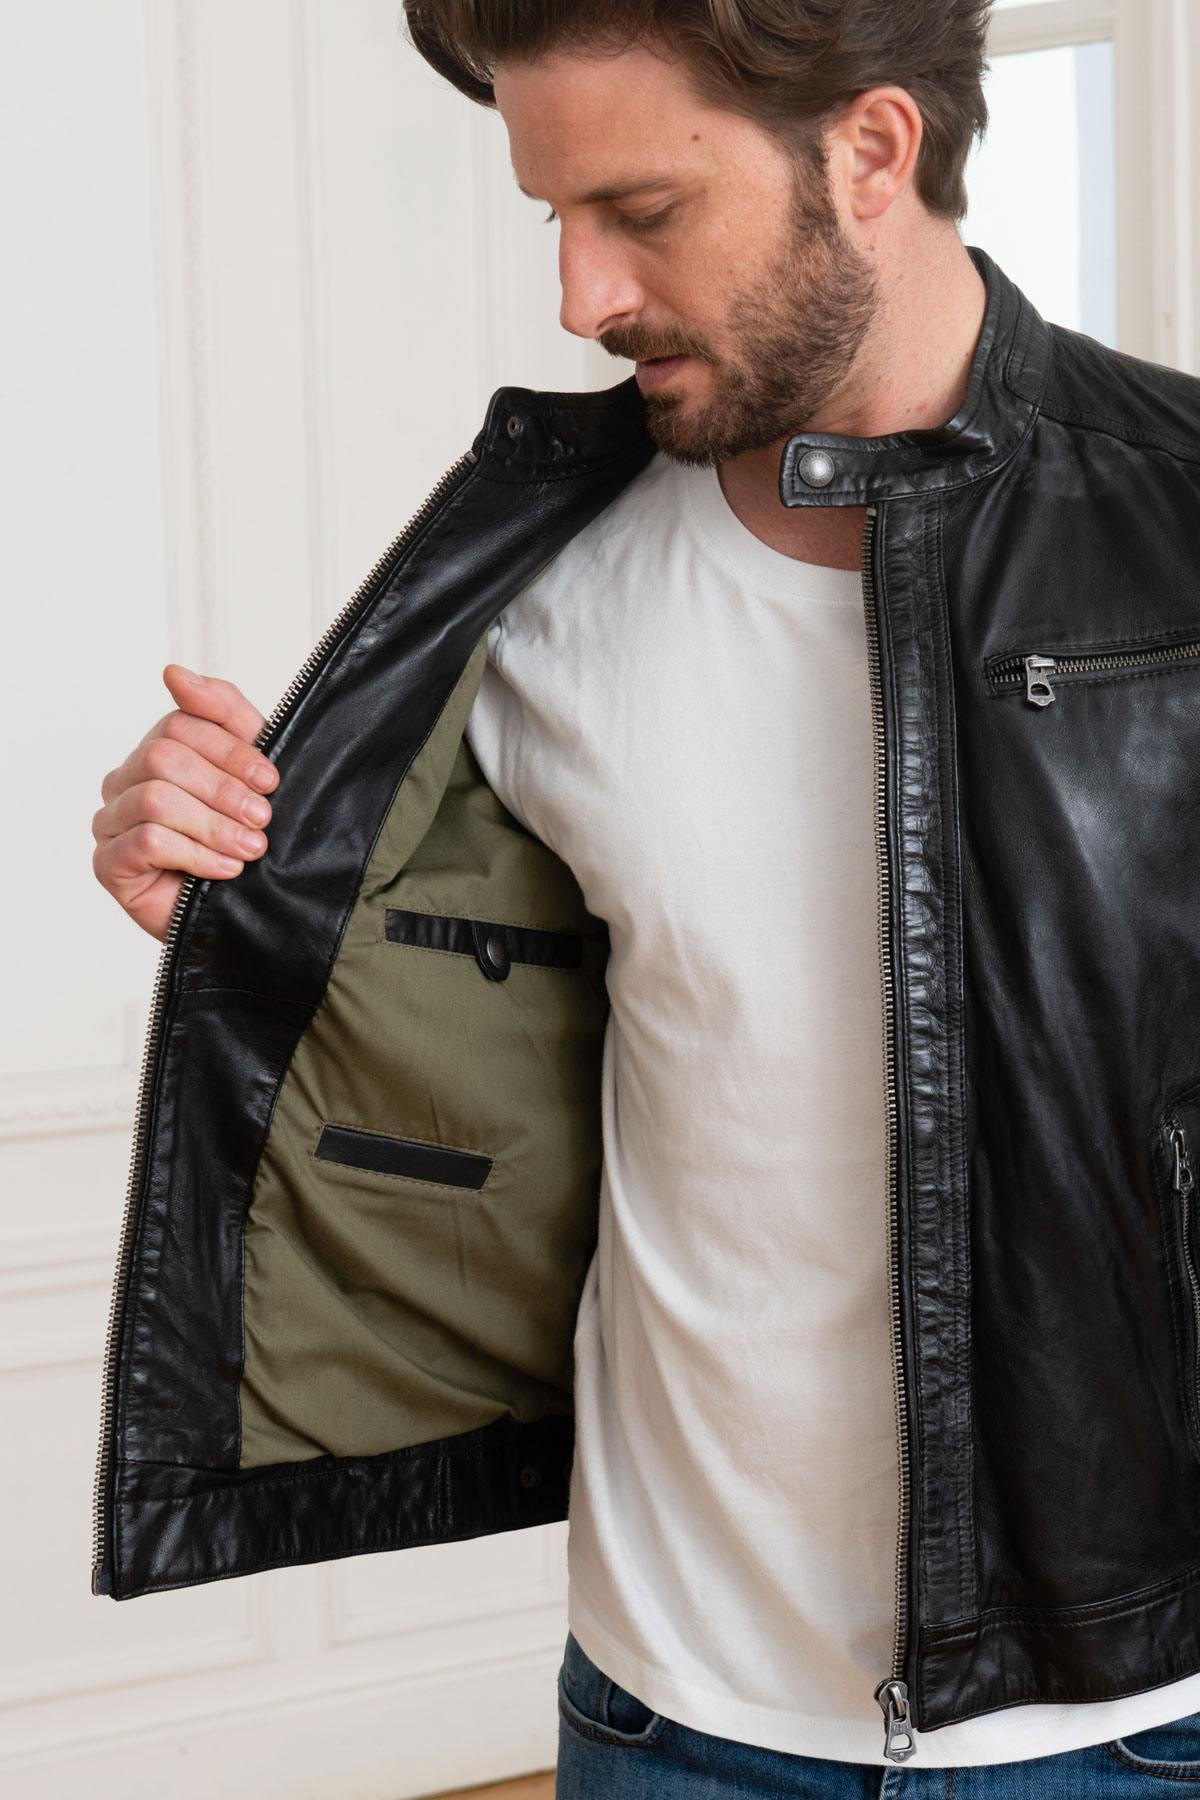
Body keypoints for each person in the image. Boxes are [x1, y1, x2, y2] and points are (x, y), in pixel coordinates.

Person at [90, 1, 1200, 1792]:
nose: (580, 296)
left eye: (643, 211)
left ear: (873, 150)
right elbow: (461, 1023)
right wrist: (226, 888)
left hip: (1137, 1721)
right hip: (665, 1714)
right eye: (556, 216)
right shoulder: (540, 586)